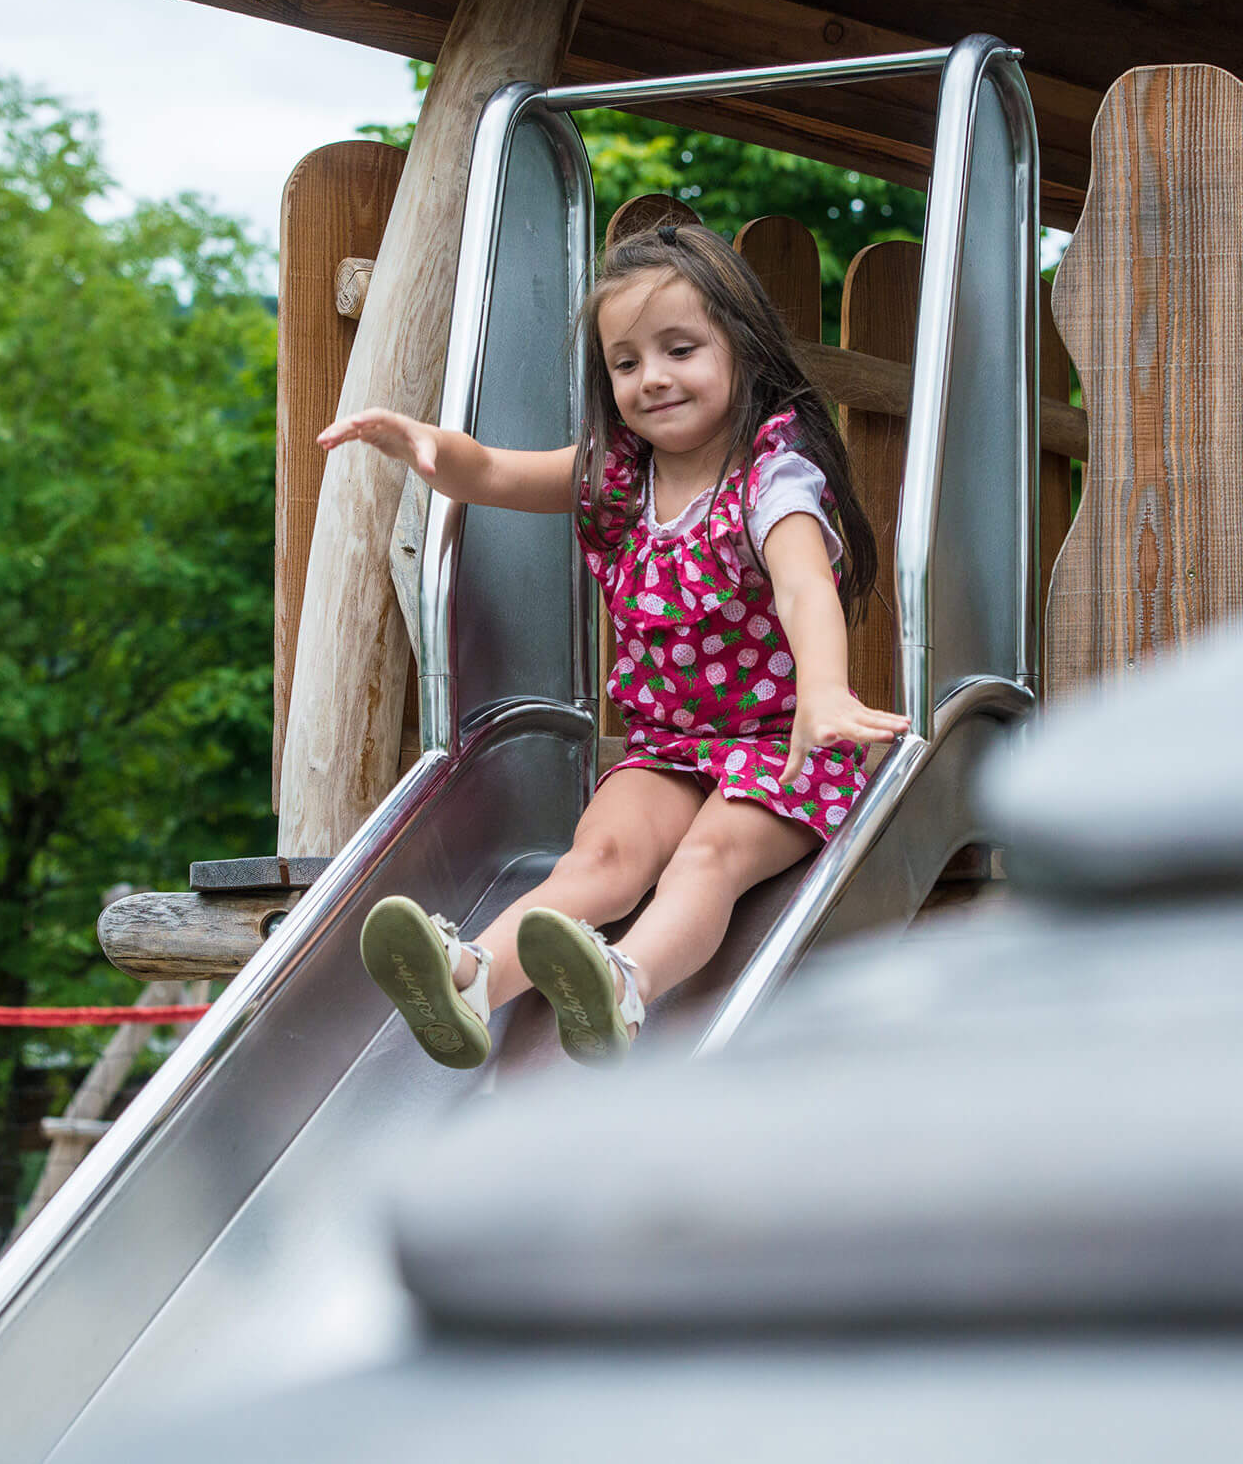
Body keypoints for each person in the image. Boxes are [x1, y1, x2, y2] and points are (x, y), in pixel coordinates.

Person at [316, 220, 907, 1069]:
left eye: (679, 349)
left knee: (705, 858)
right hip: (669, 749)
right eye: (626, 363)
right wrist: (426, 446)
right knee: (600, 856)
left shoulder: (773, 475)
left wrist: (824, 690)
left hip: (784, 750)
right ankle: (473, 978)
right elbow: (491, 473)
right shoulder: (620, 474)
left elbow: (804, 583)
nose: (652, 379)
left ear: (741, 349)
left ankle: (626, 984)